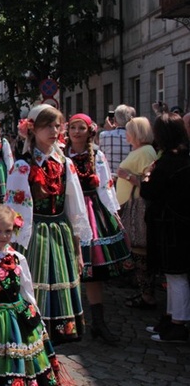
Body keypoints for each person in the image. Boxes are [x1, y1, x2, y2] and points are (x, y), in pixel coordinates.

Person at [6, 104, 91, 344]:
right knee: (34, 277)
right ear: (33, 129)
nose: (54, 131)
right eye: (47, 126)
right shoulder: (23, 165)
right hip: (34, 232)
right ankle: (33, 327)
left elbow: (74, 207)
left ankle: (61, 327)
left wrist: (77, 249)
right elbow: (14, 210)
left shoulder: (65, 163)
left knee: (60, 275)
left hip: (60, 230)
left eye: (56, 125)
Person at [0, 205, 64, 385]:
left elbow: (26, 289)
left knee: (29, 357)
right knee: (1, 363)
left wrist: (35, 314)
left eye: (8, 231)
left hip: (20, 317)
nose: (4, 236)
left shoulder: (17, 257)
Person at [64, 114, 130, 345]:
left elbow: (105, 186)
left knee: (91, 271)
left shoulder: (97, 155)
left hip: (92, 211)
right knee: (65, 267)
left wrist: (113, 213)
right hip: (67, 210)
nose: (77, 132)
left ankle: (98, 322)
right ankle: (66, 319)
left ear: (89, 131)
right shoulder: (62, 154)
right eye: (73, 127)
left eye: (81, 128)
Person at [139, 113, 190, 342]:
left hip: (171, 225)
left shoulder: (169, 160)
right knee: (173, 276)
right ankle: (171, 318)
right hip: (175, 222)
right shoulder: (181, 157)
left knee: (176, 275)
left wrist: (147, 177)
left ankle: (178, 323)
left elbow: (150, 191)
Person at [115, 117, 157, 310]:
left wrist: (127, 176)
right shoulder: (139, 150)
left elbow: (148, 182)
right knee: (136, 251)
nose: (126, 134)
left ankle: (147, 294)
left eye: (129, 130)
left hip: (137, 206)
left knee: (140, 251)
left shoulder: (146, 151)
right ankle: (142, 290)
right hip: (129, 204)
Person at [99, 104, 136, 180]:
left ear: (115, 120)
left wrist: (110, 130)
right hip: (129, 178)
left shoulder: (104, 135)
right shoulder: (135, 137)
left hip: (109, 178)